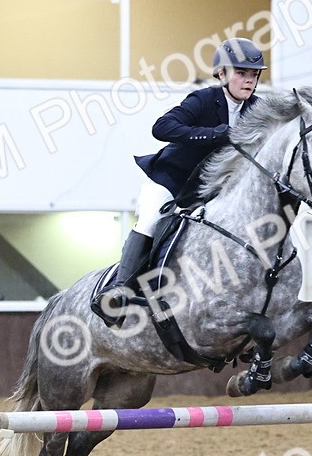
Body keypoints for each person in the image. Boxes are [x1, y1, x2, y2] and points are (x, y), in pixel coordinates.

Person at [92, 37, 266, 327]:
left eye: (253, 75)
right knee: (149, 218)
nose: (249, 81)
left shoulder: (258, 110)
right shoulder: (203, 99)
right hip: (173, 182)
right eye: (241, 73)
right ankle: (118, 291)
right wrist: (214, 134)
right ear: (222, 74)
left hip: (213, 190)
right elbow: (162, 127)